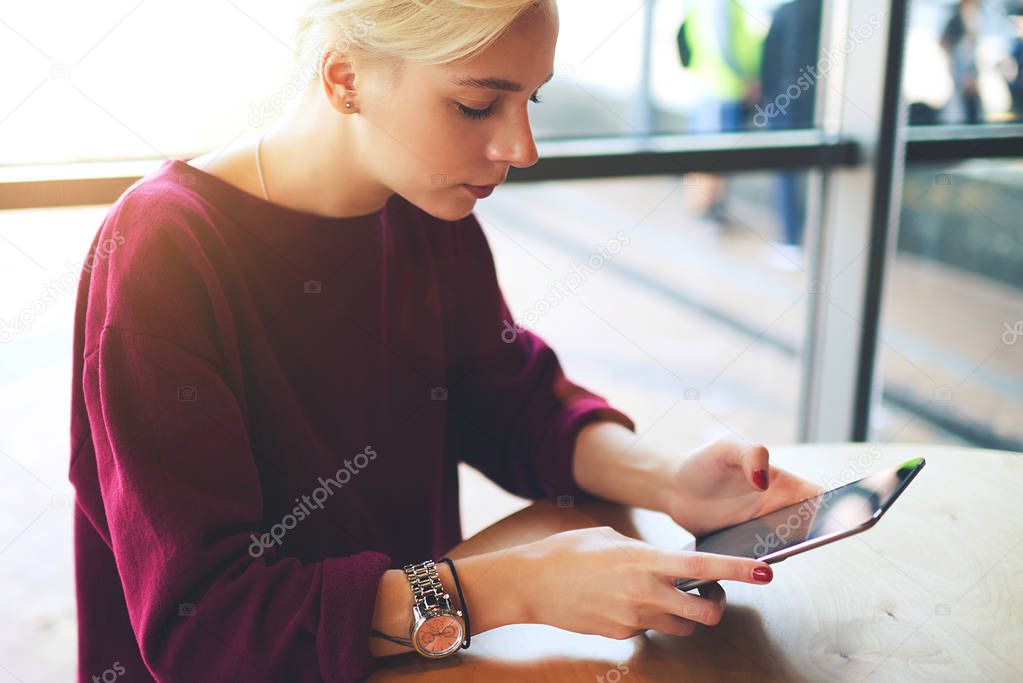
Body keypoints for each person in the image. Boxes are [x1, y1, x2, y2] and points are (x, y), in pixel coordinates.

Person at [68, 1, 823, 680]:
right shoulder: (163, 252)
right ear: (344, 78)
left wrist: (665, 479)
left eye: (530, 99)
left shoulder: (424, 208)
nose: (521, 147)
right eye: (475, 104)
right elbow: (207, 629)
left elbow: (507, 399)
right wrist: (517, 584)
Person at [680, 0, 765, 226]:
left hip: (713, 85)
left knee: (710, 150)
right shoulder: (720, 4)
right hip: (723, 88)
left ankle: (705, 207)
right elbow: (723, 43)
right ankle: (706, 209)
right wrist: (745, 78)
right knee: (716, 153)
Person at [941, 0, 984, 124]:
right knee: (961, 100)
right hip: (961, 65)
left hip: (970, 65)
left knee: (971, 99)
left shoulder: (976, 15)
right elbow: (944, 41)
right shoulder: (956, 19)